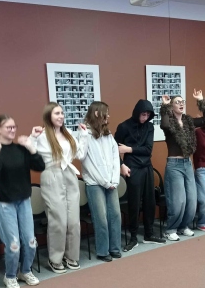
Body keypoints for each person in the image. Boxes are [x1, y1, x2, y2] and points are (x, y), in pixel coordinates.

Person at [0, 114, 45, 288]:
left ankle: (25, 271)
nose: (12, 130)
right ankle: (10, 276)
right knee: (14, 245)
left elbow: (40, 166)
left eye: (14, 127)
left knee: (31, 242)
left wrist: (31, 147)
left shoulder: (21, 149)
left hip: (24, 201)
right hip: (5, 203)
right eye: (8, 127)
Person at [30, 103, 88, 273]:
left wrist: (83, 136)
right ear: (49, 116)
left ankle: (71, 256)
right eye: (57, 113)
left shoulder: (68, 133)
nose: (61, 116)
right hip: (51, 175)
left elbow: (80, 154)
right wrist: (32, 138)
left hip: (69, 175)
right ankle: (55, 258)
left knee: (73, 221)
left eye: (62, 113)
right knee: (58, 221)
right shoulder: (42, 136)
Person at [114, 100, 166, 252]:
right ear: (137, 113)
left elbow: (148, 150)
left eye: (148, 115)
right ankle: (133, 237)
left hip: (147, 167)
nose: (145, 117)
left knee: (150, 201)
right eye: (143, 114)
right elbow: (114, 149)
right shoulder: (124, 127)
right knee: (134, 203)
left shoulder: (149, 127)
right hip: (132, 168)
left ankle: (149, 234)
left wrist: (128, 149)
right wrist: (121, 165)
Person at [160, 90, 205, 241]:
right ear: (172, 106)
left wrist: (201, 100)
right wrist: (165, 106)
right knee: (178, 201)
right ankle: (171, 229)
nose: (181, 104)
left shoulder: (188, 121)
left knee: (192, 200)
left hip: (187, 163)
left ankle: (183, 226)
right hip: (174, 165)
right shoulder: (169, 121)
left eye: (182, 102)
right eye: (177, 102)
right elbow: (164, 124)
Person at [81, 101, 122, 262]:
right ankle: (103, 251)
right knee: (101, 218)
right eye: (106, 112)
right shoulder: (85, 134)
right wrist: (105, 182)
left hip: (111, 182)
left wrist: (114, 180)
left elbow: (115, 157)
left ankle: (115, 248)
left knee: (115, 215)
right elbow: (88, 163)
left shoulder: (108, 134)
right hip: (95, 183)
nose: (109, 116)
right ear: (97, 113)